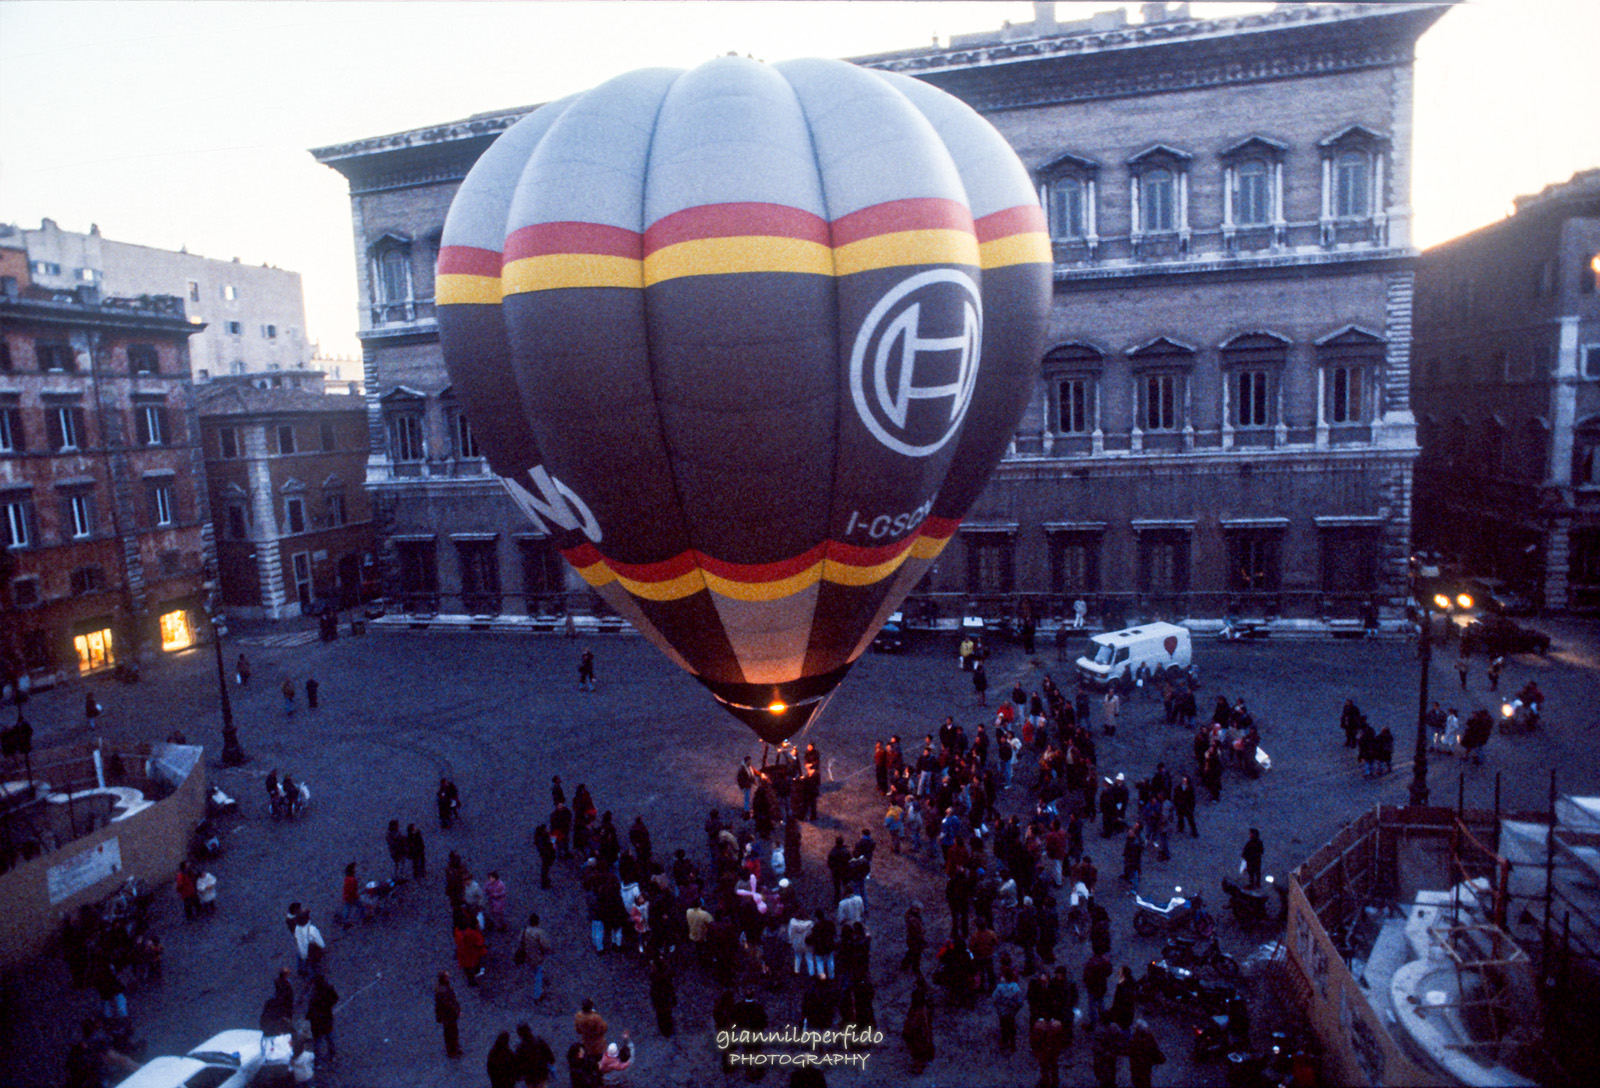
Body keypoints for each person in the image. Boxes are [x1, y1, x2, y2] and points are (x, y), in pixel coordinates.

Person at [901, 981, 936, 1075]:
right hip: (919, 1035)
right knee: (918, 1050)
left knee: (918, 1050)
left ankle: (919, 1063)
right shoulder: (919, 1011)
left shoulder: (920, 1012)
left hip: (919, 1035)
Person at [1030, 1012, 1068, 1088]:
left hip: (1044, 1048)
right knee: (1053, 1064)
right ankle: (1054, 1081)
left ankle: (1046, 1081)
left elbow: (1035, 1039)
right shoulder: (1057, 1024)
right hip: (1053, 1048)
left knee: (1044, 1064)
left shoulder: (1039, 1025)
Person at [306, 974, 338, 1062]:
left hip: (317, 1021)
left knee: (318, 1041)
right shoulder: (328, 988)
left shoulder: (315, 993)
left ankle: (318, 1060)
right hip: (326, 1018)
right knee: (329, 1037)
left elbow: (311, 1006)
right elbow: (335, 998)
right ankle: (332, 1055)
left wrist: (308, 1016)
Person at [993, 965, 1024, 1053]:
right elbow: (1020, 1002)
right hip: (1011, 1012)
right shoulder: (1016, 988)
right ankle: (1012, 1043)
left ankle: (1004, 1042)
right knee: (1012, 1026)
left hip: (1002, 1012)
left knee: (1003, 1026)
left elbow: (994, 998)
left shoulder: (1000, 988)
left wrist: (998, 1008)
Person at [1127, 1019, 1166, 1088]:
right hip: (1146, 1065)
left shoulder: (1133, 1039)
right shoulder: (1149, 1037)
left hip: (1136, 1066)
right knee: (1146, 1081)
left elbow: (1129, 1051)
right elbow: (1154, 1050)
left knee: (1138, 1082)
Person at [515, 1023, 556, 1088]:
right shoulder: (540, 1041)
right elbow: (551, 1058)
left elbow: (517, 1065)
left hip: (530, 1078)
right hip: (542, 1075)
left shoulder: (520, 1048)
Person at [435, 972, 462, 1059]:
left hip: (447, 1014)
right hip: (448, 1014)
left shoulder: (441, 989)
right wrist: (456, 1010)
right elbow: (449, 1003)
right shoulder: (444, 990)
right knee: (451, 1032)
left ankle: (453, 1049)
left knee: (451, 1031)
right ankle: (452, 1050)